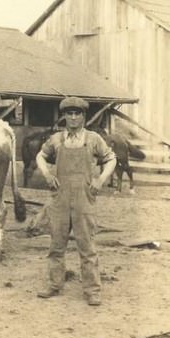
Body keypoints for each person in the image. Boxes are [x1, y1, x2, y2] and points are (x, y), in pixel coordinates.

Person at [35, 97, 117, 306]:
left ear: (83, 116)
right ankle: (54, 285)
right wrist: (46, 174)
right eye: (69, 113)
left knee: (87, 245)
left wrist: (100, 180)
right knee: (56, 244)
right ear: (64, 116)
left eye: (77, 113)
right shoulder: (56, 139)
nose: (73, 117)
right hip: (60, 196)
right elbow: (40, 156)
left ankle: (92, 290)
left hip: (84, 197)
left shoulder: (93, 138)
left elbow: (111, 158)